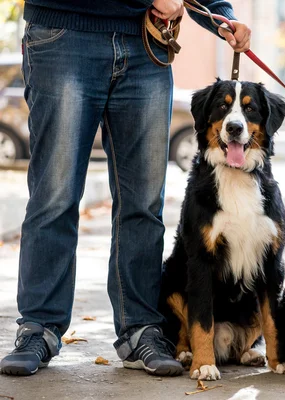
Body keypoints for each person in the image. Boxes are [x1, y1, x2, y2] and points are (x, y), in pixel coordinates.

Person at [0, 0, 250, 377]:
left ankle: (140, 329)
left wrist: (219, 15)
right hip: (65, 36)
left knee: (144, 204)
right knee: (55, 196)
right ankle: (39, 327)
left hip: (147, 46)